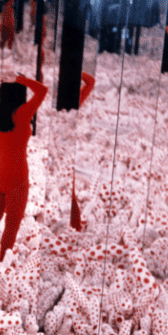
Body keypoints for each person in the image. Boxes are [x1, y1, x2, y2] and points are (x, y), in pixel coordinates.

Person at [0, 72, 48, 261]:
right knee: (12, 224)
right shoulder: (23, 113)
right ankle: (1, 265)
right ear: (20, 93)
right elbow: (42, 90)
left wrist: (0, 79)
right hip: (17, 177)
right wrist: (20, 79)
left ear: (3, 92)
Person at [70, 71, 95, 231]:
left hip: (61, 154)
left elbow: (91, 81)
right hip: (61, 154)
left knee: (71, 196)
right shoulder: (72, 102)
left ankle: (76, 228)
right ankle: (76, 228)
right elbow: (90, 81)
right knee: (70, 195)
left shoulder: (71, 102)